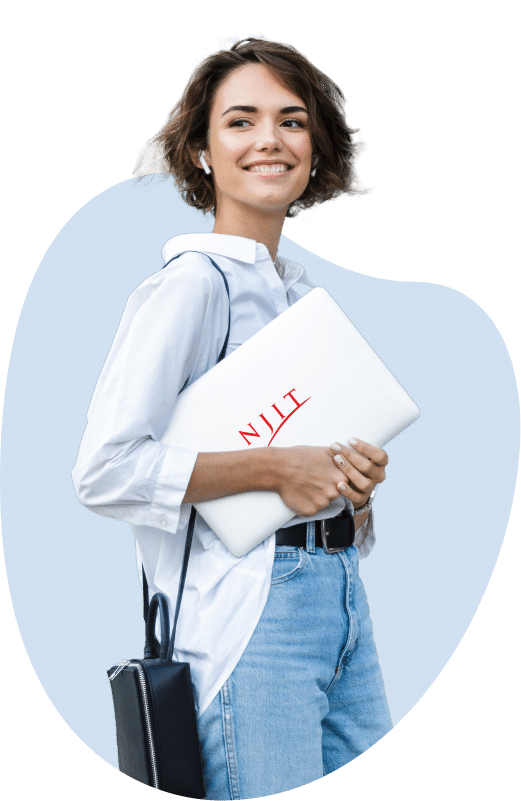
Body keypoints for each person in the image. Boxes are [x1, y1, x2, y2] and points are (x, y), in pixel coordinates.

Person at [72, 37, 392, 799]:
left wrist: (352, 486)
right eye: (240, 121)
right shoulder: (189, 289)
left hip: (340, 597)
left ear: (315, 151)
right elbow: (103, 470)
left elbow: (305, 475)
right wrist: (278, 466)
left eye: (291, 121)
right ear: (202, 152)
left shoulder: (302, 302)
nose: (269, 140)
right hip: (247, 620)